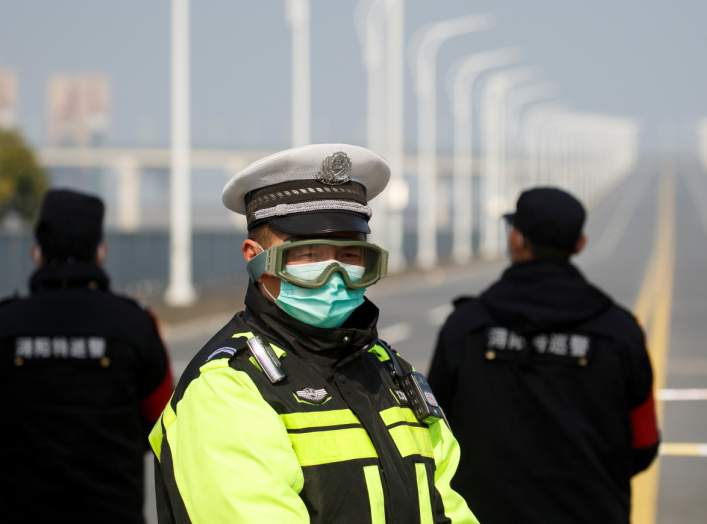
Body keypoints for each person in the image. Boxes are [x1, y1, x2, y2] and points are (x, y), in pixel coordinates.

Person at [149, 144, 477, 524]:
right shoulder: (228, 388)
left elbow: (450, 505)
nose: (334, 276)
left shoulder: (391, 374)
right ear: (254, 257)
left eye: (351, 257)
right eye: (308, 256)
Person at [428, 187, 660, 524]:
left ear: (517, 240)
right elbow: (644, 443)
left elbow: (435, 433)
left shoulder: (466, 327)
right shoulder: (619, 332)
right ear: (580, 244)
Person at [0, 189, 173, 524]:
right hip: (113, 510)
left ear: (37, 253)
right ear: (101, 251)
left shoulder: (6, 325)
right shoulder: (135, 325)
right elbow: (163, 422)